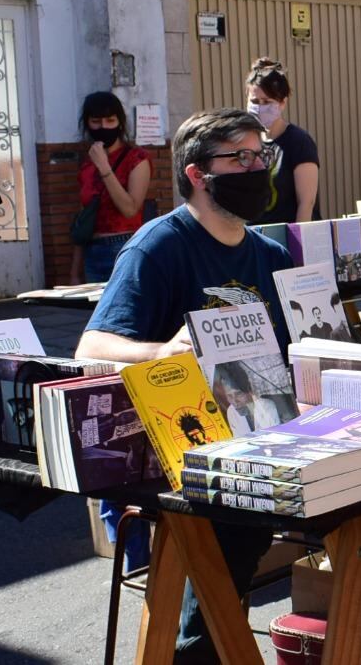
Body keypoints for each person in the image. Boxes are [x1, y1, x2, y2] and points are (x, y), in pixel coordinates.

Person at [76, 108, 294, 662]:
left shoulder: (271, 255)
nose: (255, 168)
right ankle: (200, 649)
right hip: (187, 449)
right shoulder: (158, 247)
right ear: (198, 175)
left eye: (260, 155)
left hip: (264, 437)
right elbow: (91, 348)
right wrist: (164, 351)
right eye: (238, 157)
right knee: (230, 538)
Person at [70, 92, 153, 284]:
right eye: (96, 121)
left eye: (110, 120)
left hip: (123, 245)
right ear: (87, 123)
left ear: (120, 122)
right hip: (92, 249)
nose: (103, 127)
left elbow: (130, 209)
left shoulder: (137, 159)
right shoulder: (87, 163)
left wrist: (104, 167)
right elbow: (84, 216)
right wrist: (75, 271)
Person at [245, 58, 321, 223]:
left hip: (289, 239)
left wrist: (299, 244)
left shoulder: (299, 142)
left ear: (282, 103)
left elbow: (306, 204)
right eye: (254, 102)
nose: (259, 107)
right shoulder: (247, 143)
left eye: (266, 102)